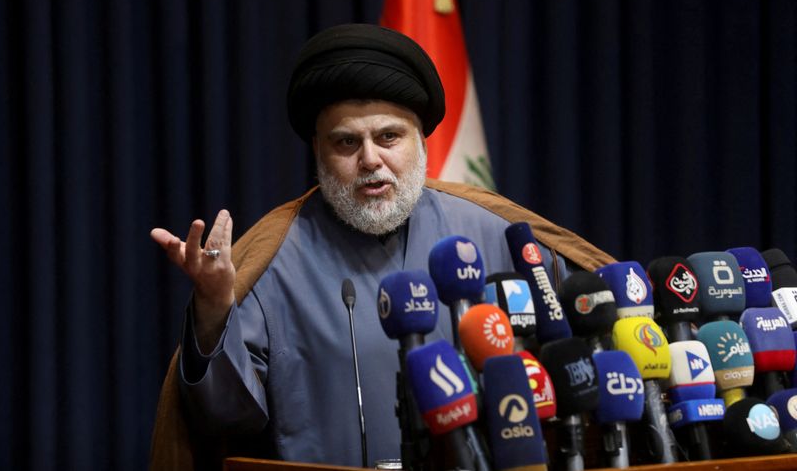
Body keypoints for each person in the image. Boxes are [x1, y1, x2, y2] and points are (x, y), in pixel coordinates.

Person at [149, 24, 614, 471]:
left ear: (421, 141)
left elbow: (599, 342)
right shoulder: (274, 258)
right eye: (346, 142)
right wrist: (213, 312)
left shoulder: (496, 232)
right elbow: (227, 421)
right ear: (318, 149)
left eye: (389, 136)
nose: (370, 159)